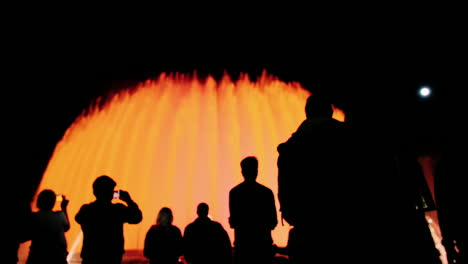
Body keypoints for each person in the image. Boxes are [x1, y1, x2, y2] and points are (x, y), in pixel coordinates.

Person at [276, 93, 414, 263]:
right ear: (330, 112)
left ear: (307, 113)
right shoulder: (351, 137)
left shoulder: (289, 148)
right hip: (351, 227)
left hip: (309, 232)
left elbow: (285, 192)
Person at [75, 175, 143, 264]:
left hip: (91, 257)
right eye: (112, 190)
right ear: (110, 193)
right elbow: (137, 217)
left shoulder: (86, 209)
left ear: (95, 192)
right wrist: (128, 200)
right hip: (112, 257)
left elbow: (78, 219)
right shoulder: (117, 210)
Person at [229, 156, 278, 264]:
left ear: (242, 171)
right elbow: (273, 222)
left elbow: (233, 222)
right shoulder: (266, 193)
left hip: (243, 246)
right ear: (256, 170)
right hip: (263, 246)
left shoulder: (235, 193)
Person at [23, 189, 70, 264]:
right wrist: (64, 207)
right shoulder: (59, 215)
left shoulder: (34, 217)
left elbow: (25, 235)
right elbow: (67, 227)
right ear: (53, 202)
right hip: (57, 257)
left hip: (38, 257)